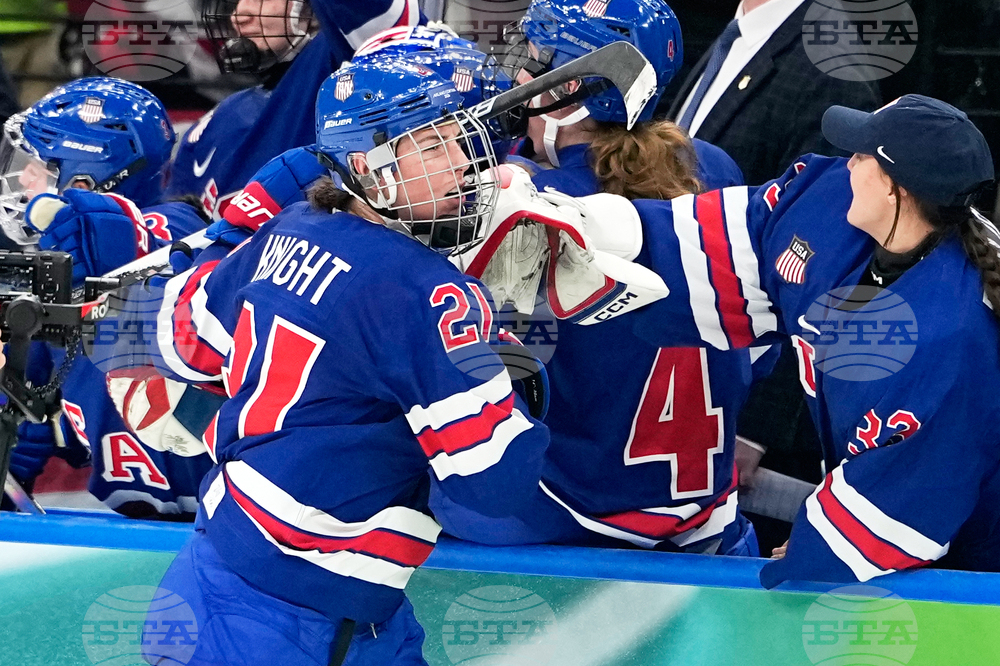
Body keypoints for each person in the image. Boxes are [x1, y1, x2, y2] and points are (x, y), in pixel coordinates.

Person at [136, 59, 550, 665]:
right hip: (303, 614)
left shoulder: (292, 224)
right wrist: (513, 363)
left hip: (222, 569)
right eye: (434, 145)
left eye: (463, 139)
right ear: (365, 164)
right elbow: (496, 481)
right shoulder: (430, 293)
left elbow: (184, 333)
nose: (465, 162)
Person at [595, 94, 1000, 583]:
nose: (847, 161)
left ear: (895, 190)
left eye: (863, 154)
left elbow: (913, 493)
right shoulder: (837, 210)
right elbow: (741, 235)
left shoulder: (948, 334)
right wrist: (598, 233)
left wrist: (816, 550)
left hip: (970, 559)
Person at [429, 0, 763, 556]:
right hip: (704, 521)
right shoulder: (712, 168)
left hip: (562, 526)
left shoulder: (519, 199)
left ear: (579, 89)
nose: (520, 76)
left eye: (537, 61)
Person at [1, 77, 212, 518]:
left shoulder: (185, 235)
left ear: (83, 178)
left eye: (37, 165)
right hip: (138, 534)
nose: (23, 179)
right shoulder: (55, 273)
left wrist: (85, 223)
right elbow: (24, 420)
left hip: (250, 529)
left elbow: (126, 238)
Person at [167, 0, 421, 218]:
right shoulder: (216, 121)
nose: (239, 16)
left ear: (311, 11)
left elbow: (381, 17)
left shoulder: (340, 68)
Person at [504, 0, 744, 195]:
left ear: (569, 89)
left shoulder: (540, 198)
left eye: (530, 59)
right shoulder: (715, 164)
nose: (520, 76)